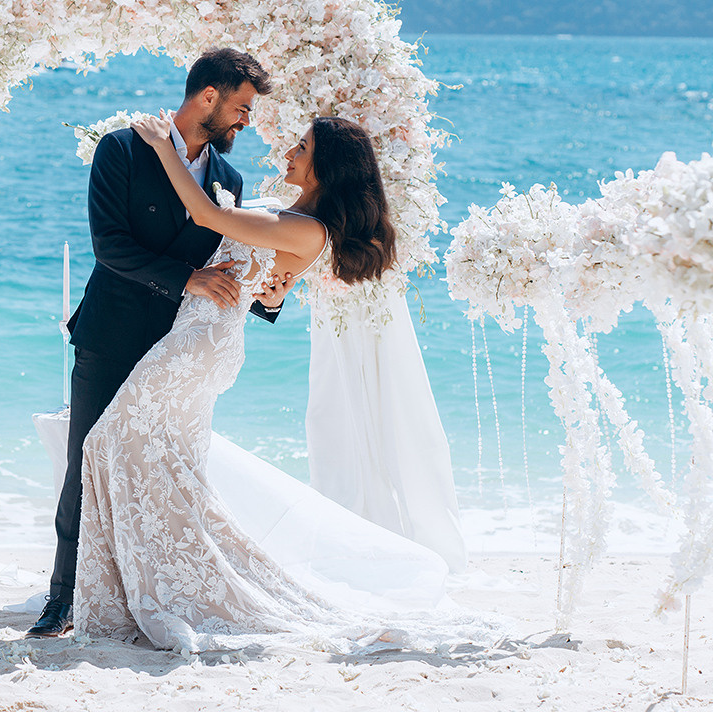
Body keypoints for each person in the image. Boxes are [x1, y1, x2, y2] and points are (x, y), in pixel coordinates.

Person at [74, 115, 489, 651]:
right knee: (158, 461)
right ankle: (160, 583)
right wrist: (271, 293)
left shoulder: (306, 229)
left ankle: (179, 584)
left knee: (111, 442)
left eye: (303, 146)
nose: (289, 151)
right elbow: (268, 283)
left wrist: (159, 148)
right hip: (195, 337)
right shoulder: (297, 220)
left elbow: (206, 214)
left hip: (197, 346)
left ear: (325, 167)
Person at [28, 48, 287, 637]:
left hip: (175, 353)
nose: (247, 122)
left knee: (160, 471)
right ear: (208, 97)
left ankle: (140, 592)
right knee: (85, 466)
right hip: (112, 335)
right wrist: (188, 278)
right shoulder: (121, 149)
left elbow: (231, 256)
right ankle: (63, 597)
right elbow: (109, 247)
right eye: (242, 108)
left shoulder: (230, 181)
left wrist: (267, 295)